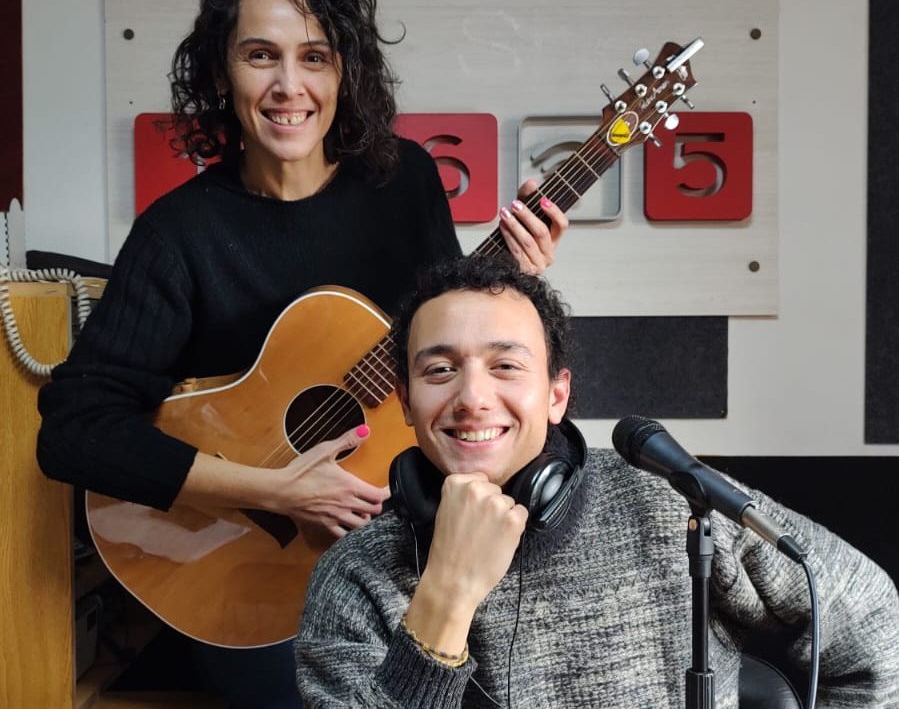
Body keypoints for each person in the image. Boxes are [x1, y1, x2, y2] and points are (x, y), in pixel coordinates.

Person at [36, 0, 568, 708]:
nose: (289, 86)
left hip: (410, 546)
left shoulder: (404, 182)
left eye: (313, 57)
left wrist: (516, 284)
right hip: (246, 578)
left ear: (344, 72)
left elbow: (449, 349)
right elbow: (74, 430)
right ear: (222, 74)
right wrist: (278, 490)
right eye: (261, 55)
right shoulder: (178, 233)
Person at [295, 254, 899, 708]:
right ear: (404, 402)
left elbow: (873, 619)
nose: (473, 397)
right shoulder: (355, 575)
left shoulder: (670, 500)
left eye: (506, 366)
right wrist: (446, 599)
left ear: (556, 395)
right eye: (440, 370)